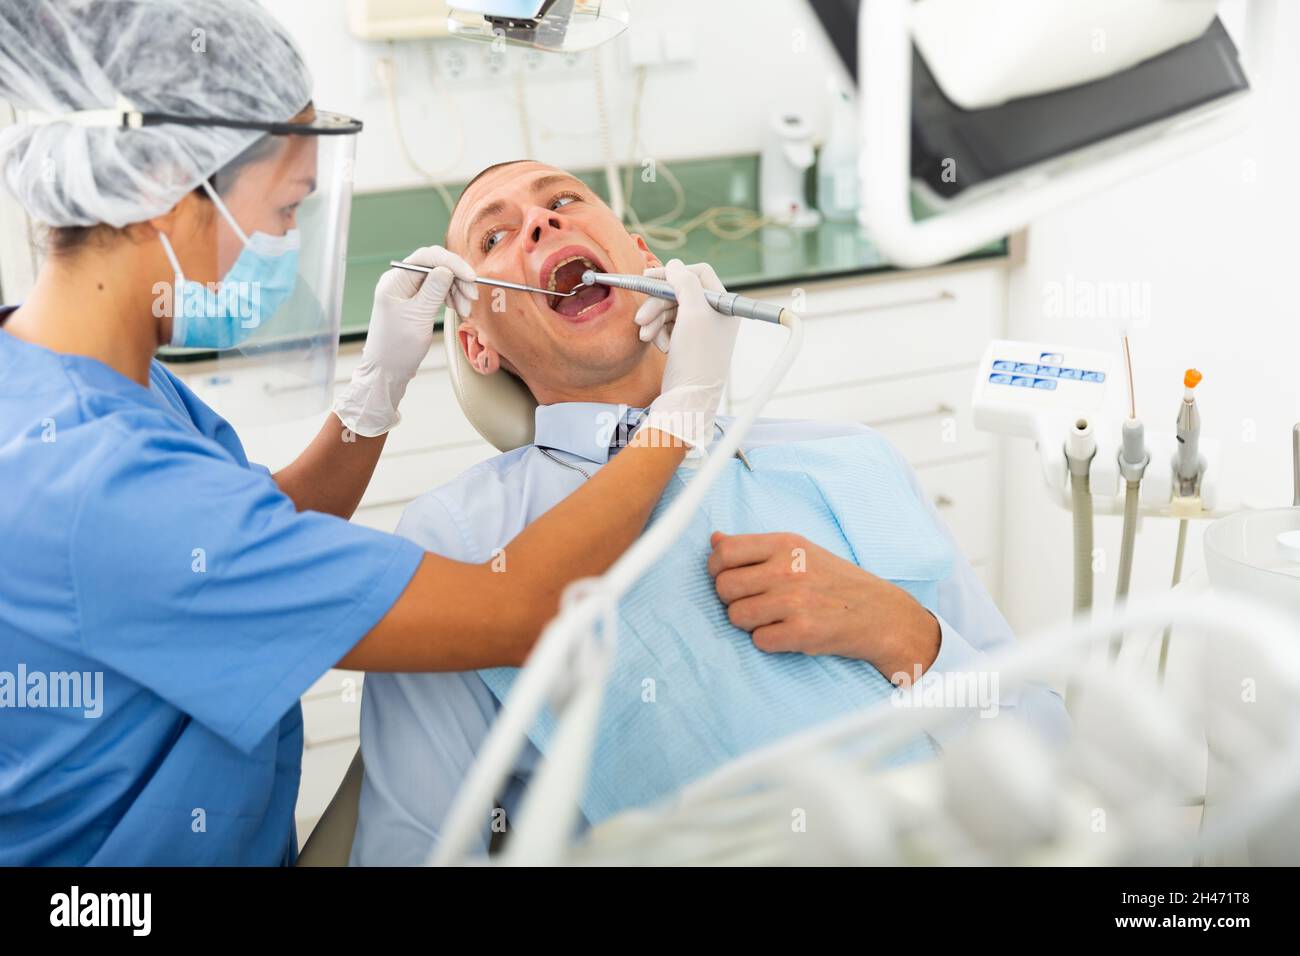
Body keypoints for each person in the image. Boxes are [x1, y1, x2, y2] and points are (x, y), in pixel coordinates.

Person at [0, 2, 738, 865]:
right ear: (168, 188)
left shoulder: (85, 378)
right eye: (284, 212)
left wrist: (375, 392)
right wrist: (685, 410)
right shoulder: (106, 485)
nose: (284, 242)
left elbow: (245, 542)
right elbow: (522, 609)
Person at [350, 160, 1070, 864]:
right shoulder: (459, 540)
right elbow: (414, 846)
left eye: (564, 199)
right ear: (478, 343)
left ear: (647, 263)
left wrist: (905, 635)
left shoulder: (853, 459)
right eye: (493, 237)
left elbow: (1047, 744)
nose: (540, 220)